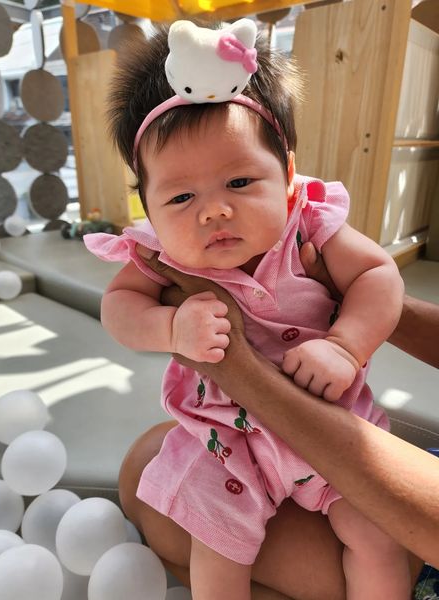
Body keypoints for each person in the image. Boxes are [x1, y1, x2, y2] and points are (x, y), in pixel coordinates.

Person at [85, 19, 410, 600]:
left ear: (288, 176)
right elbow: (118, 307)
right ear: (149, 210)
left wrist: (346, 344)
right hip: (225, 442)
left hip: (331, 425)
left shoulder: (309, 224)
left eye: (239, 181)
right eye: (181, 196)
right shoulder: (157, 254)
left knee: (377, 535)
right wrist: (170, 327)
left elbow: (378, 275)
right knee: (215, 542)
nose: (213, 211)